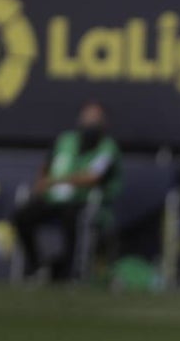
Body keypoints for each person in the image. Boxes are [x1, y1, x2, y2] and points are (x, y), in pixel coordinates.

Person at [13, 100, 122, 282]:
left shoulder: (107, 147)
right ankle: (36, 265)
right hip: (53, 197)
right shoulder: (65, 140)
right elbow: (46, 166)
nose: (91, 122)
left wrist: (60, 180)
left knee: (72, 220)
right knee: (22, 216)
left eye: (95, 118)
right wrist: (41, 183)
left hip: (82, 200)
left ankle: (65, 272)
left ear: (104, 122)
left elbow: (94, 177)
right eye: (88, 117)